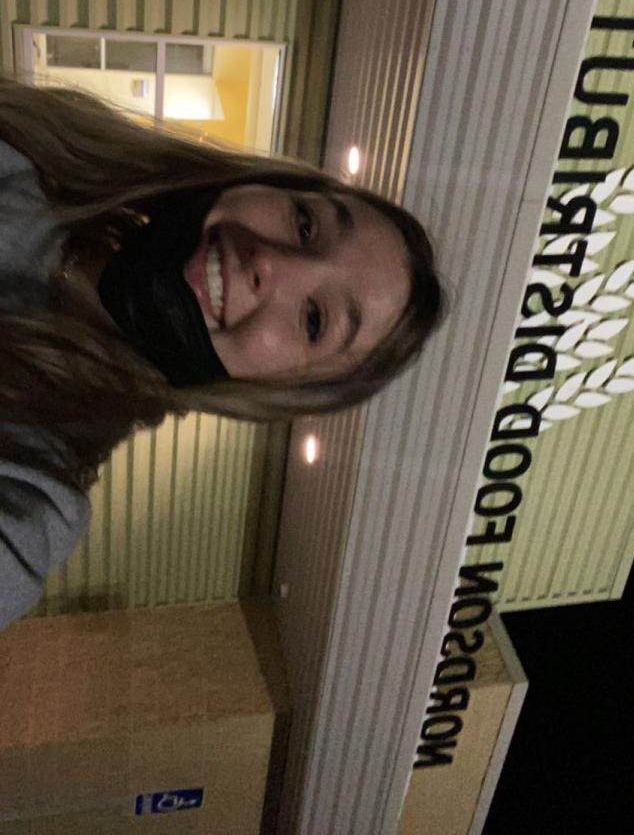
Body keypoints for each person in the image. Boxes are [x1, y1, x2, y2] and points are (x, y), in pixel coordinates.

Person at [0, 75, 445, 627]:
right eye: (305, 223)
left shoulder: (30, 500)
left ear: (279, 391)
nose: (271, 263)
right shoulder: (30, 139)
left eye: (314, 320)